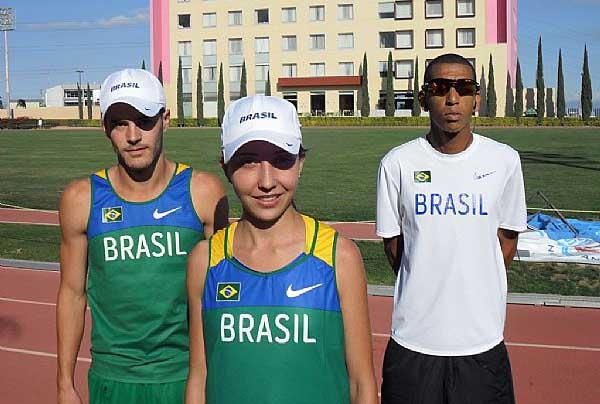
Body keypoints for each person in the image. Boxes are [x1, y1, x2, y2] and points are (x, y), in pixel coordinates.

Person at [186, 95, 378, 404]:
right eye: (248, 160)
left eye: (281, 159)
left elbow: (361, 384)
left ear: (301, 162)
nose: (266, 181)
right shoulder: (205, 260)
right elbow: (199, 377)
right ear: (225, 166)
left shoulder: (339, 257)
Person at [57, 68, 229, 404]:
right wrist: (65, 383)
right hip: (112, 378)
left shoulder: (204, 193)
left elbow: (224, 295)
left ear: (165, 119)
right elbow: (72, 294)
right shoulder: (81, 199)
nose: (133, 135)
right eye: (120, 123)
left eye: (144, 120)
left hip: (185, 377)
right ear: (106, 128)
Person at [376, 53, 527, 404]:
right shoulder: (397, 164)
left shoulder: (504, 161)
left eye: (464, 87)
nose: (452, 98)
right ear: (423, 97)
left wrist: (474, 280)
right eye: (440, 87)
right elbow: (394, 247)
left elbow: (506, 241)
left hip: (481, 345)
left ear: (477, 99)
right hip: (413, 345)